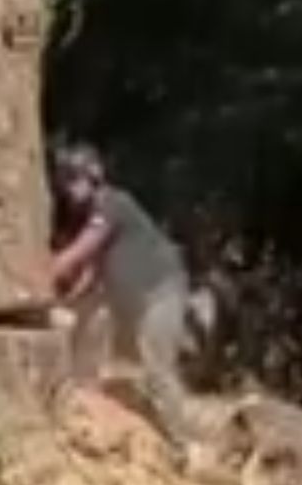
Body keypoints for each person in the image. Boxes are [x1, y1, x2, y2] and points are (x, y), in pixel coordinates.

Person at [49, 143, 202, 449]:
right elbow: (91, 273)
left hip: (161, 291)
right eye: (65, 181)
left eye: (75, 179)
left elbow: (80, 252)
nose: (70, 189)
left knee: (157, 365)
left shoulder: (113, 204)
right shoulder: (95, 216)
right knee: (140, 363)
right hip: (145, 300)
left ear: (94, 176)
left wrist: (43, 273)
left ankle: (187, 444)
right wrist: (65, 301)